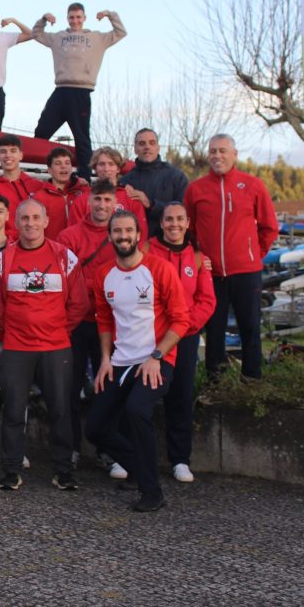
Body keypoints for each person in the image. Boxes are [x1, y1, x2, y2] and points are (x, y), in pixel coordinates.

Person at [88, 212, 189, 512]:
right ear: (109, 237)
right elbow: (104, 318)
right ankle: (137, 466)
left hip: (156, 360)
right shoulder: (104, 274)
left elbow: (181, 320)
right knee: (95, 428)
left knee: (136, 412)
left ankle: (152, 491)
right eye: (117, 231)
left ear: (138, 235)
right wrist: (105, 360)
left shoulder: (160, 269)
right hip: (120, 361)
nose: (123, 236)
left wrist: (157, 356)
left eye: (128, 230)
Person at [0, 199, 89, 491]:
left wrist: (55, 330)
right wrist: (21, 332)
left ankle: (63, 471)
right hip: (17, 348)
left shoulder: (65, 257)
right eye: (24, 219)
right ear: (16, 223)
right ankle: (11, 470)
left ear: (46, 221)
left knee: (60, 409)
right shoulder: (2, 259)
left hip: (56, 347)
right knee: (13, 411)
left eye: (36, 217)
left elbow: (79, 304)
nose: (30, 223)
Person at [184, 134, 278, 381]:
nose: (217, 156)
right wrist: (197, 254)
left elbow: (269, 227)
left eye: (223, 151)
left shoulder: (253, 185)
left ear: (234, 154)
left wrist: (254, 255)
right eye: (213, 151)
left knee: (250, 328)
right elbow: (188, 230)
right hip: (211, 274)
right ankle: (217, 383)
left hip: (246, 273)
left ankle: (252, 381)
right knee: (214, 331)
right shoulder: (196, 189)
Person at [149, 202, 216, 483]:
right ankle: (141, 456)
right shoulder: (146, 251)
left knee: (181, 396)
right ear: (161, 223)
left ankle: (180, 459)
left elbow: (207, 300)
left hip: (185, 338)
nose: (174, 225)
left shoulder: (198, 258)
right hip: (152, 338)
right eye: (168, 220)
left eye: (179, 219)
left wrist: (185, 326)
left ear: (188, 223)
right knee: (145, 398)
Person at [57, 180, 119, 472]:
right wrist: (102, 286)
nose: (102, 205)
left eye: (107, 200)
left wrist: (95, 286)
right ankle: (70, 448)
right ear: (88, 201)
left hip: (111, 325)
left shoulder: (120, 234)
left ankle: (107, 449)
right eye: (98, 199)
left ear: (115, 203)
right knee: (68, 388)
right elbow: (66, 281)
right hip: (75, 323)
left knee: (108, 389)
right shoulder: (69, 236)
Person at [31, 4, 127, 180]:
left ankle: (85, 177)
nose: (75, 21)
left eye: (78, 17)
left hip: (81, 91)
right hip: (60, 90)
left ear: (84, 18)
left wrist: (109, 14)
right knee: (41, 132)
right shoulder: (58, 37)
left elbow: (120, 32)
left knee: (81, 137)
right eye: (72, 17)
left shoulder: (96, 38)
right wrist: (44, 19)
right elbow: (35, 34)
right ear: (67, 18)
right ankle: (40, 170)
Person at [119, 128, 189, 239]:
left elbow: (184, 212)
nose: (147, 147)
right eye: (142, 144)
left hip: (168, 245)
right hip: (136, 248)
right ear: (135, 149)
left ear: (158, 148)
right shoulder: (125, 182)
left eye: (152, 143)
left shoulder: (176, 177)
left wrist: (151, 204)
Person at [72, 146, 149, 239]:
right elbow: (73, 234)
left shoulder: (131, 197)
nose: (106, 168)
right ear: (95, 168)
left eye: (111, 164)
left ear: (118, 169)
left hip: (122, 252)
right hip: (89, 252)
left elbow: (141, 233)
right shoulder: (82, 199)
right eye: (101, 164)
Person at [0, 134, 44, 240]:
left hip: (37, 247)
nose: (8, 155)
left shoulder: (37, 186)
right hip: (7, 249)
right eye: (3, 151)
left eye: (13, 151)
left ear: (21, 155)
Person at [33, 147, 90, 240]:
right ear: (49, 170)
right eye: (58, 163)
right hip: (54, 250)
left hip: (82, 250)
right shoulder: (40, 197)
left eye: (67, 163)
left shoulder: (84, 191)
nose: (63, 166)